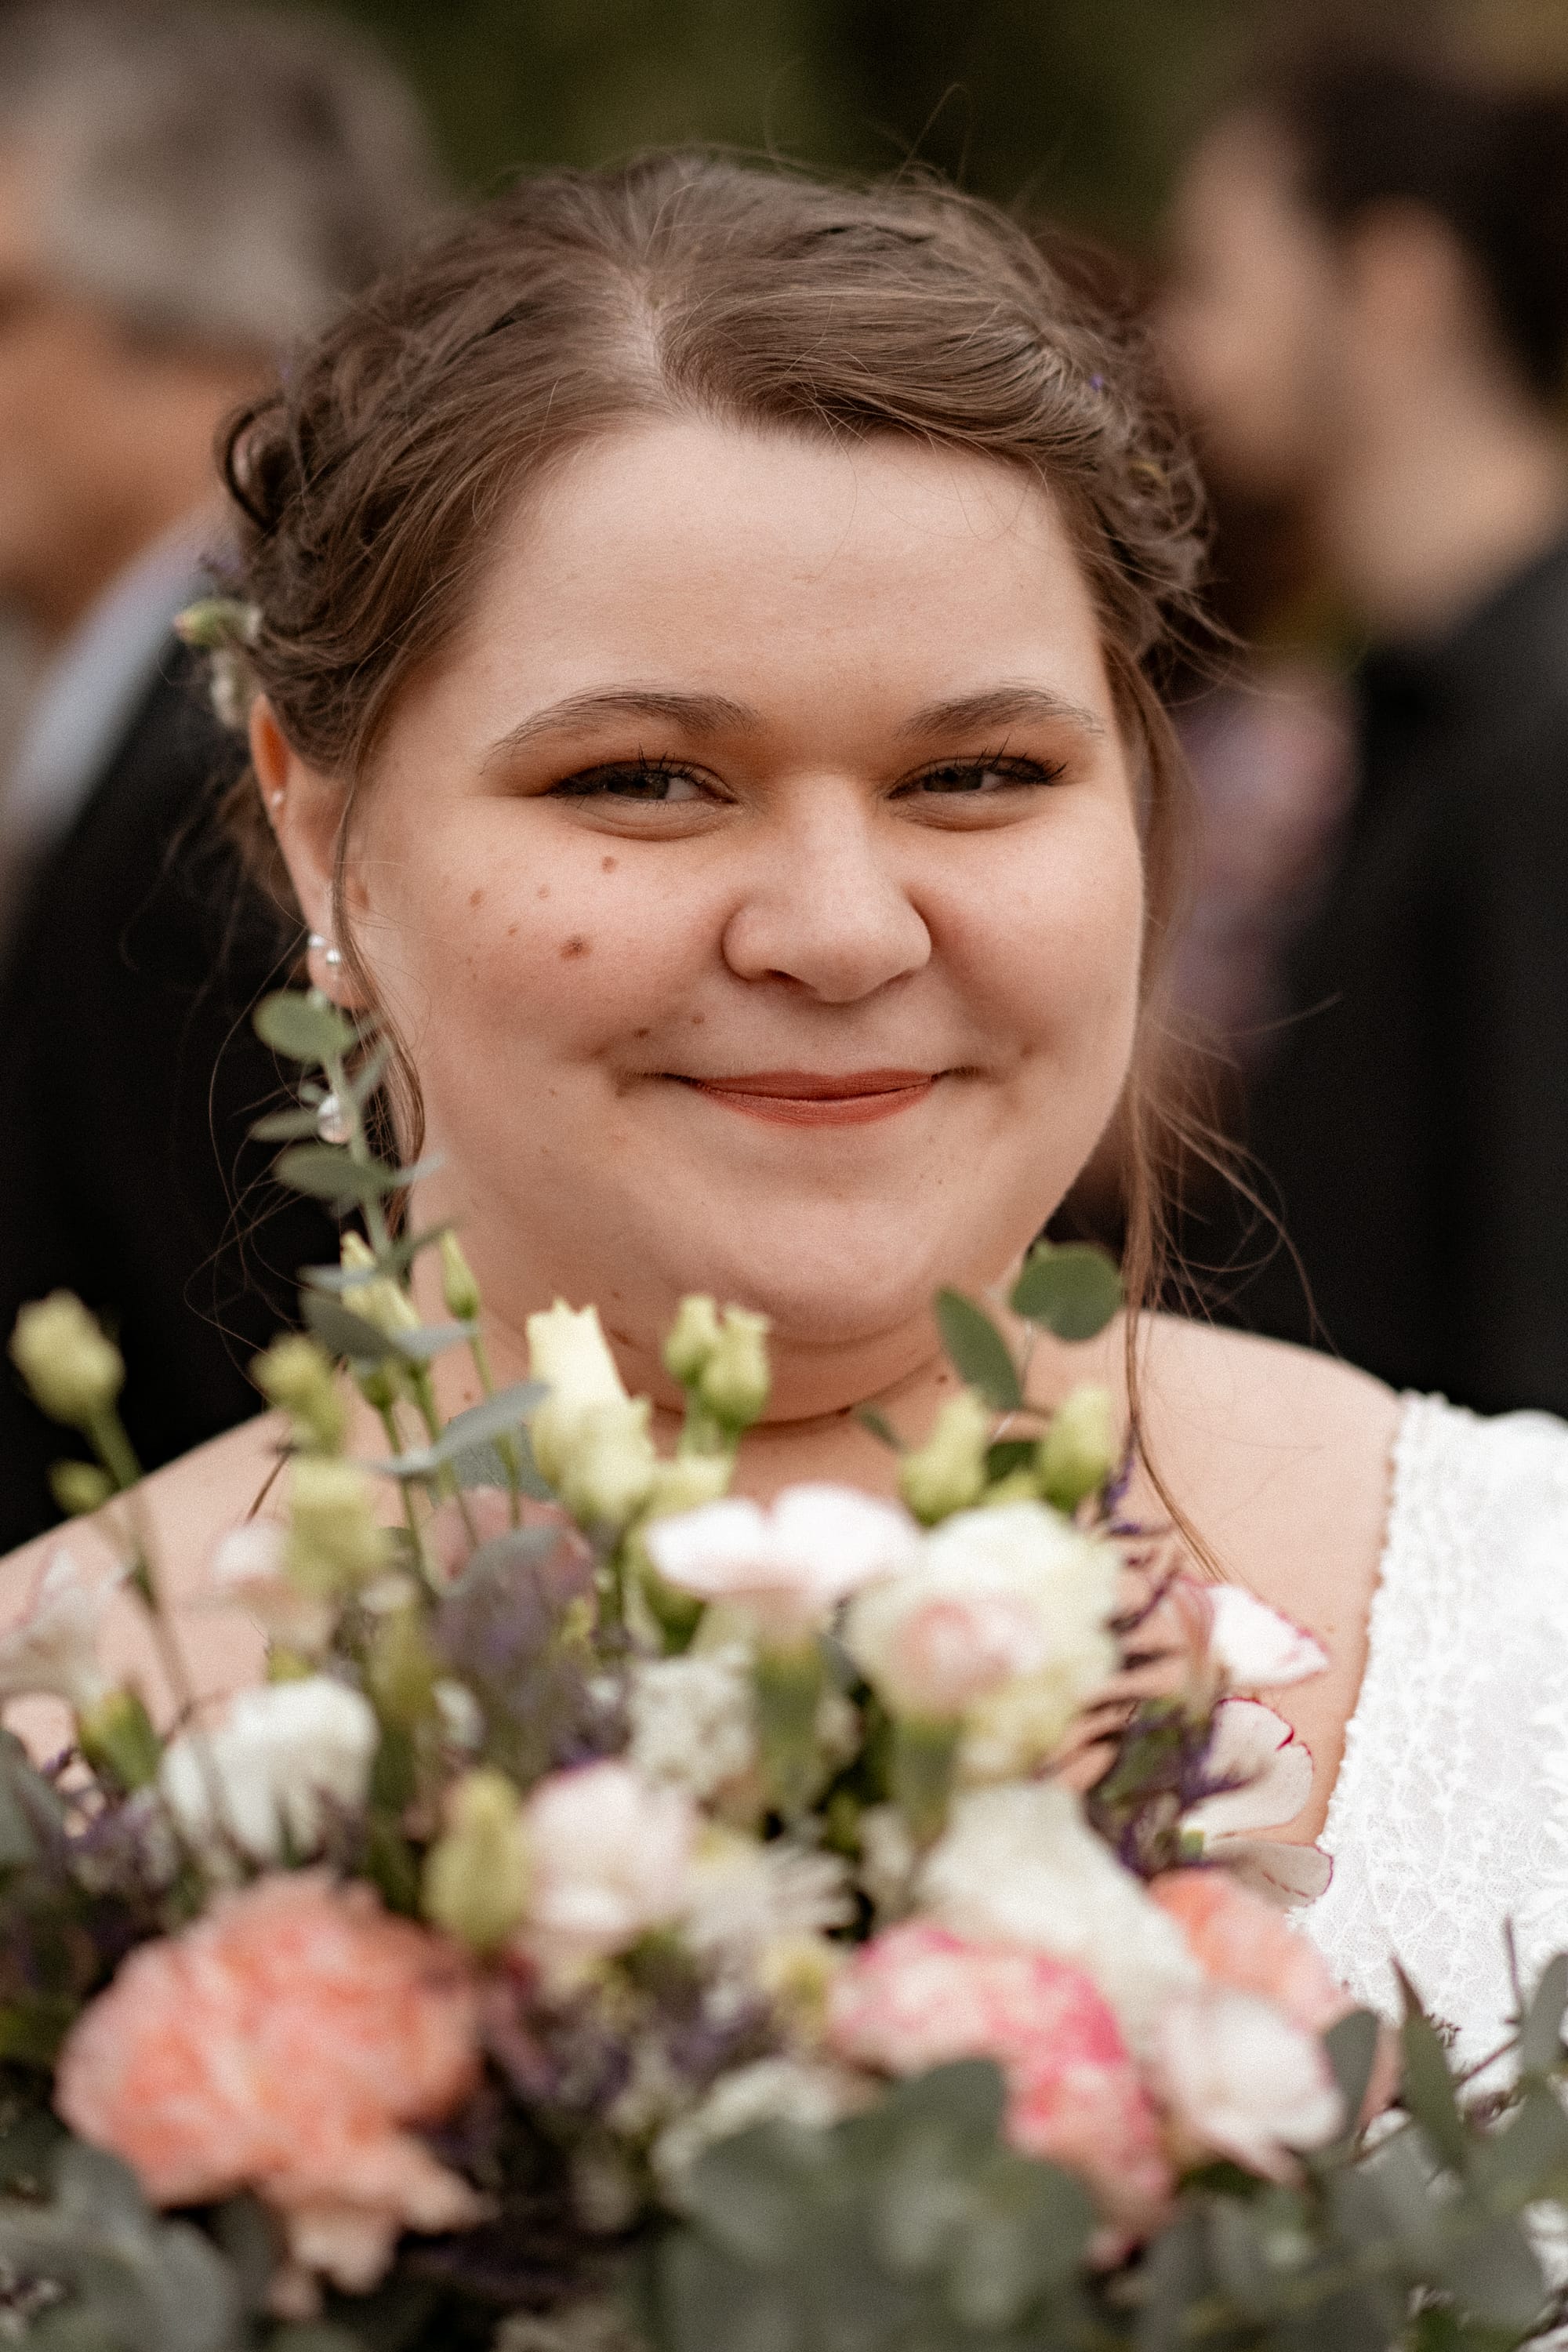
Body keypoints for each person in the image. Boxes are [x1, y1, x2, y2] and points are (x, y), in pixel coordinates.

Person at [0, 154, 1559, 2069]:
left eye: (977, 773)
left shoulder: (1528, 1615)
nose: (837, 931)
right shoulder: (49, 1753)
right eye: (644, 781)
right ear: (319, 826)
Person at [0, 0, 445, 1548]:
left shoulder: (227, 789)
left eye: (4, 310)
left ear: (202, 314)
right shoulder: (174, 739)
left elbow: (295, 1422)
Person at [1159, 43, 1568, 1417]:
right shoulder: (1414, 707)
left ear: (1395, 282)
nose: (1181, 350)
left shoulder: (1536, 730)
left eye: (1220, 284)